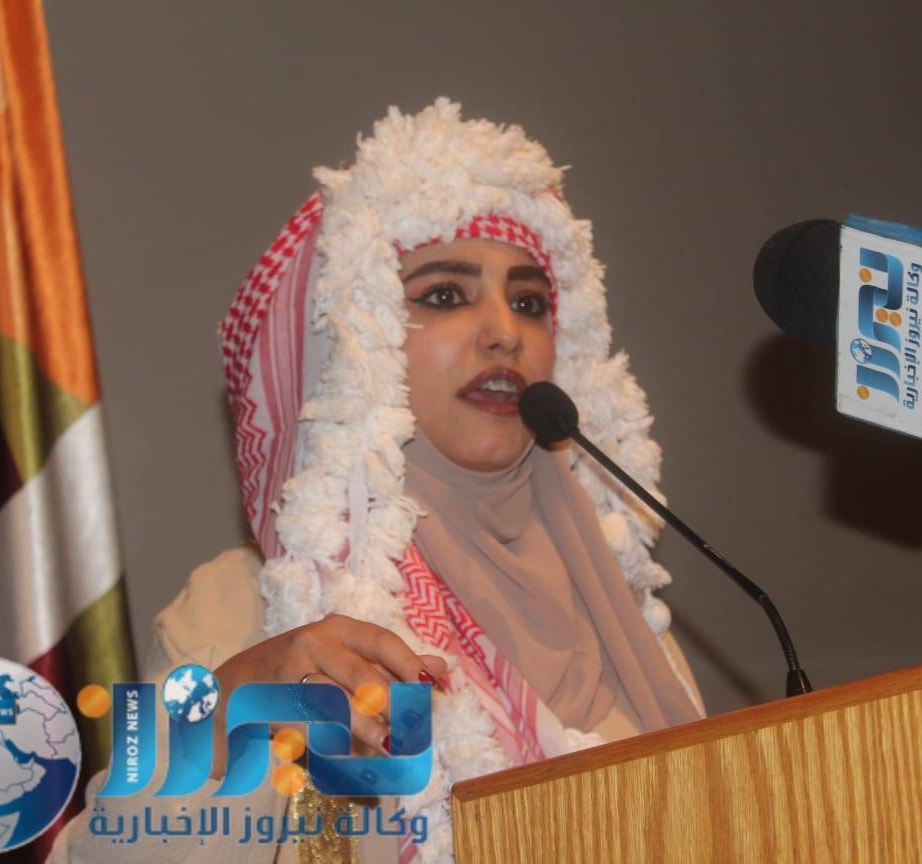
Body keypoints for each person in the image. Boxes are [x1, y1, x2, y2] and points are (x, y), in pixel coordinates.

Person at [49, 97, 706, 864]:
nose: (505, 332)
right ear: (352, 347)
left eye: (529, 302)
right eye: (444, 295)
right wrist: (229, 722)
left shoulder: (621, 619)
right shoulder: (247, 610)